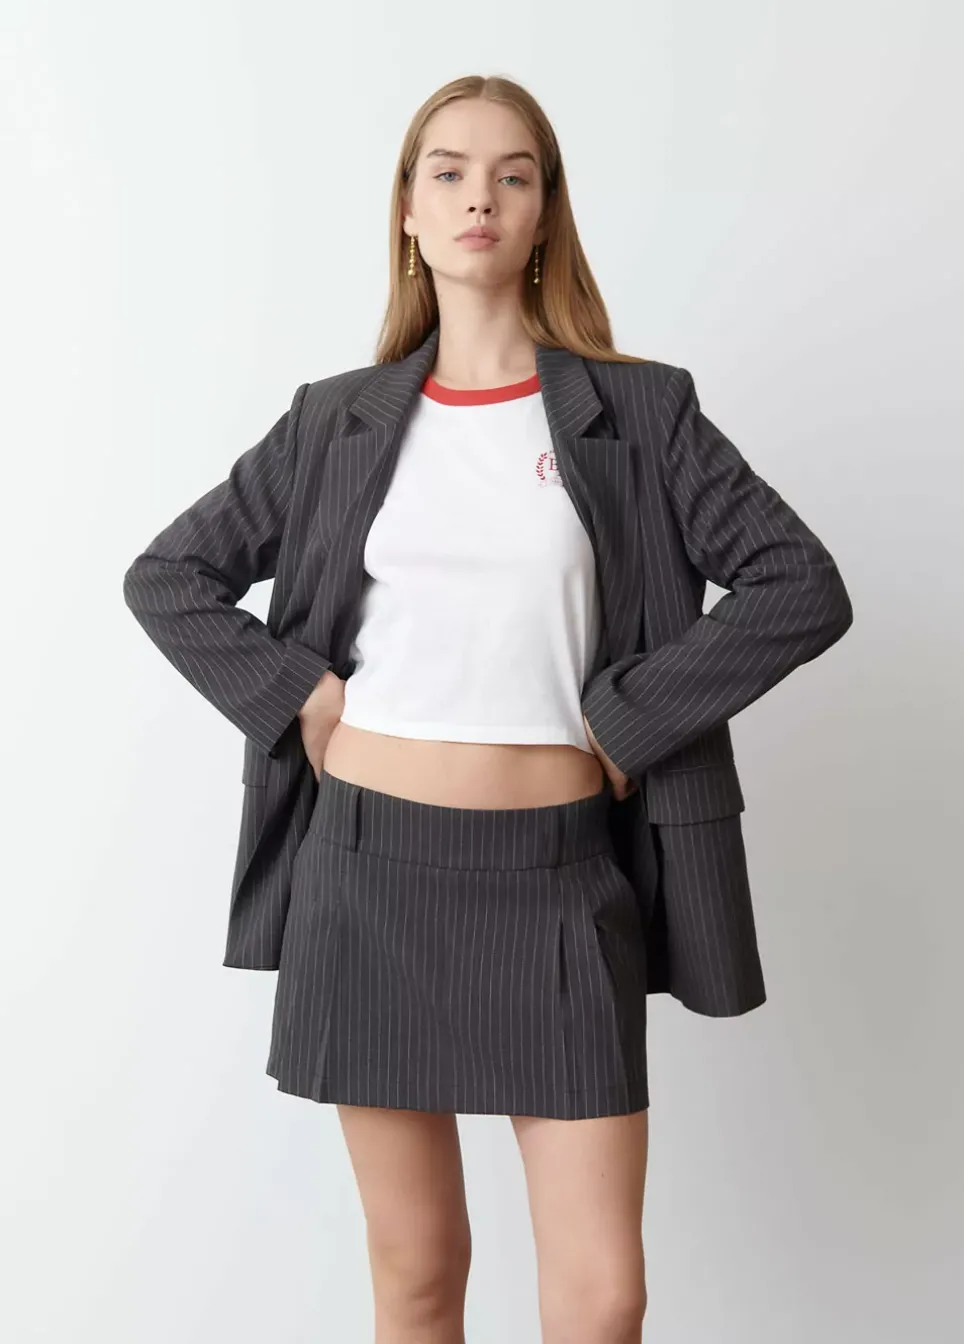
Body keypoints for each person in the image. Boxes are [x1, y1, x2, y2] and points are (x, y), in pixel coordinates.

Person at [123, 74, 853, 1344]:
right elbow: (168, 577)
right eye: (449, 172)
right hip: (364, 878)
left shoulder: (642, 413)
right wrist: (300, 694)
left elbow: (801, 585)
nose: (479, 198)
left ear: (543, 213)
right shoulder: (333, 422)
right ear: (408, 210)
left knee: (601, 1295)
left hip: (559, 879)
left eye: (513, 175)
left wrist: (628, 720)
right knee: (417, 1275)